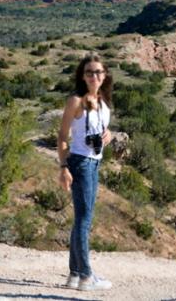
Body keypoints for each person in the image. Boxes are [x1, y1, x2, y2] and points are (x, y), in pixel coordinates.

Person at [57, 53, 113, 291]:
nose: (94, 76)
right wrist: (63, 167)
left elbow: (100, 128)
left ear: (105, 75)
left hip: (94, 161)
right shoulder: (76, 100)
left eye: (98, 72)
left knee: (80, 220)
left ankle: (74, 274)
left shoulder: (101, 100)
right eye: (89, 72)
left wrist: (108, 135)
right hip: (81, 162)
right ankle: (87, 277)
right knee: (84, 221)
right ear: (82, 75)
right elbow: (62, 135)